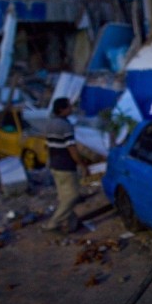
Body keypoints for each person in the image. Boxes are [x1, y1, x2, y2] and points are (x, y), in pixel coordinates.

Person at [41, 97, 89, 234]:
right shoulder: (65, 125)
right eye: (69, 107)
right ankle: (53, 223)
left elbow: (49, 145)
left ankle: (71, 224)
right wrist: (82, 164)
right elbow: (71, 148)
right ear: (62, 109)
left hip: (54, 165)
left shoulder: (50, 124)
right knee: (73, 195)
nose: (71, 109)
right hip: (65, 165)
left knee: (64, 197)